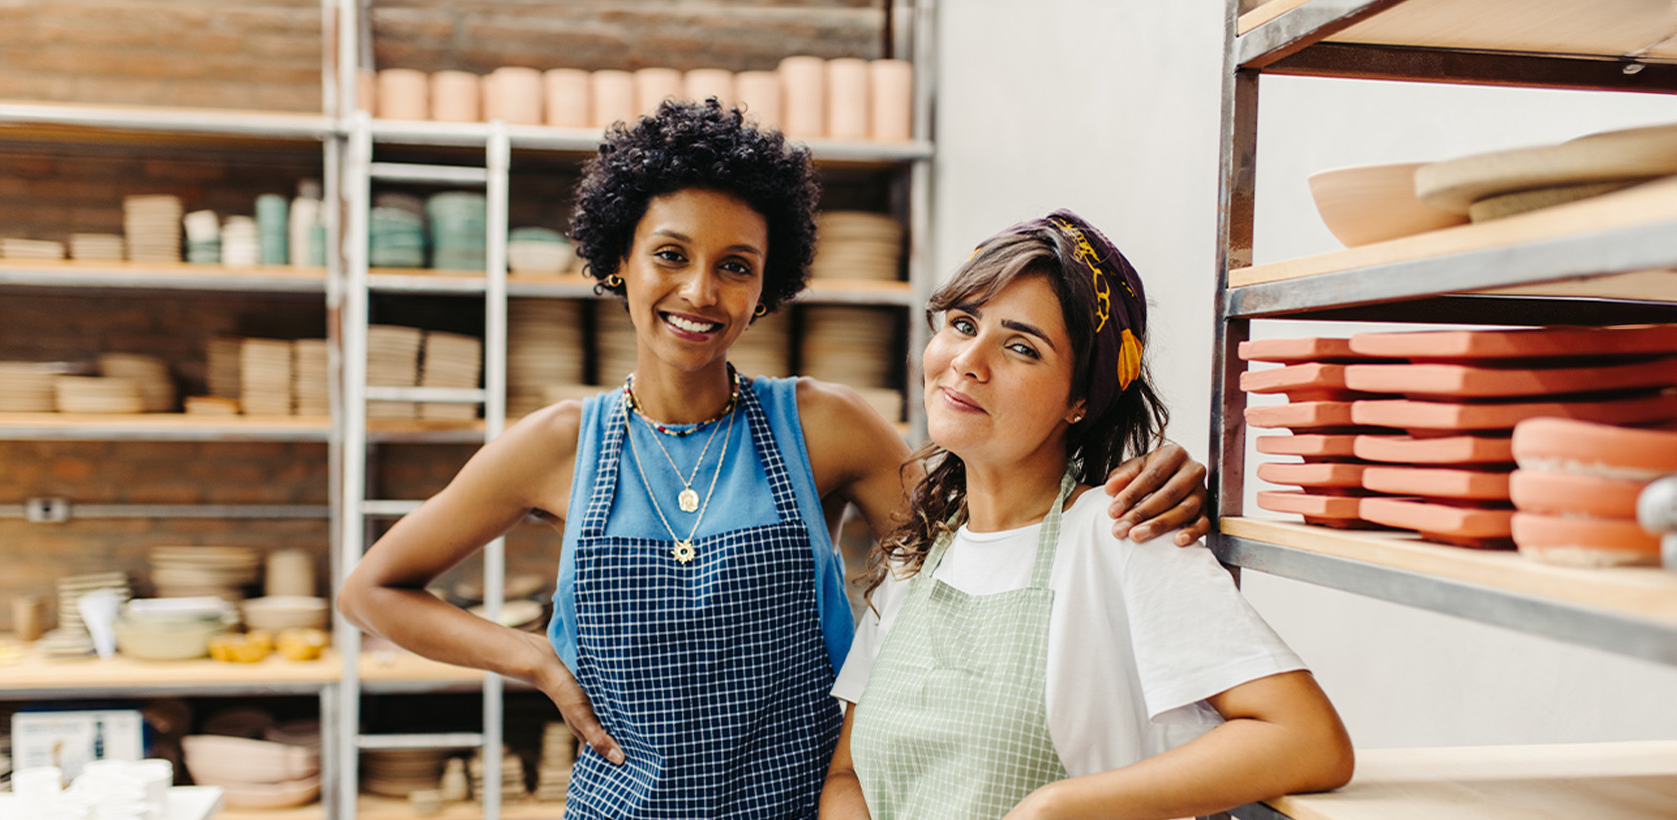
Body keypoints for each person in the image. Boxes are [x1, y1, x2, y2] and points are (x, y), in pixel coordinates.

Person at [337, 102, 1213, 819]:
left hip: (807, 806)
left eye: (736, 267)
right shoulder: (558, 443)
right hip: (621, 808)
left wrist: (1134, 477)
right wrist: (535, 661)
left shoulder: (820, 426)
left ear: (768, 285)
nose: (700, 293)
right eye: (671, 256)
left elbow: (987, 535)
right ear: (619, 259)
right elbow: (372, 589)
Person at [821, 211, 1354, 820]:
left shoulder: (1124, 532)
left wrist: (1057, 807)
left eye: (1021, 347)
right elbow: (849, 774)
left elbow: (1307, 738)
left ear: (1080, 399)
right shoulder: (917, 562)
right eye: (963, 323)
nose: (969, 360)